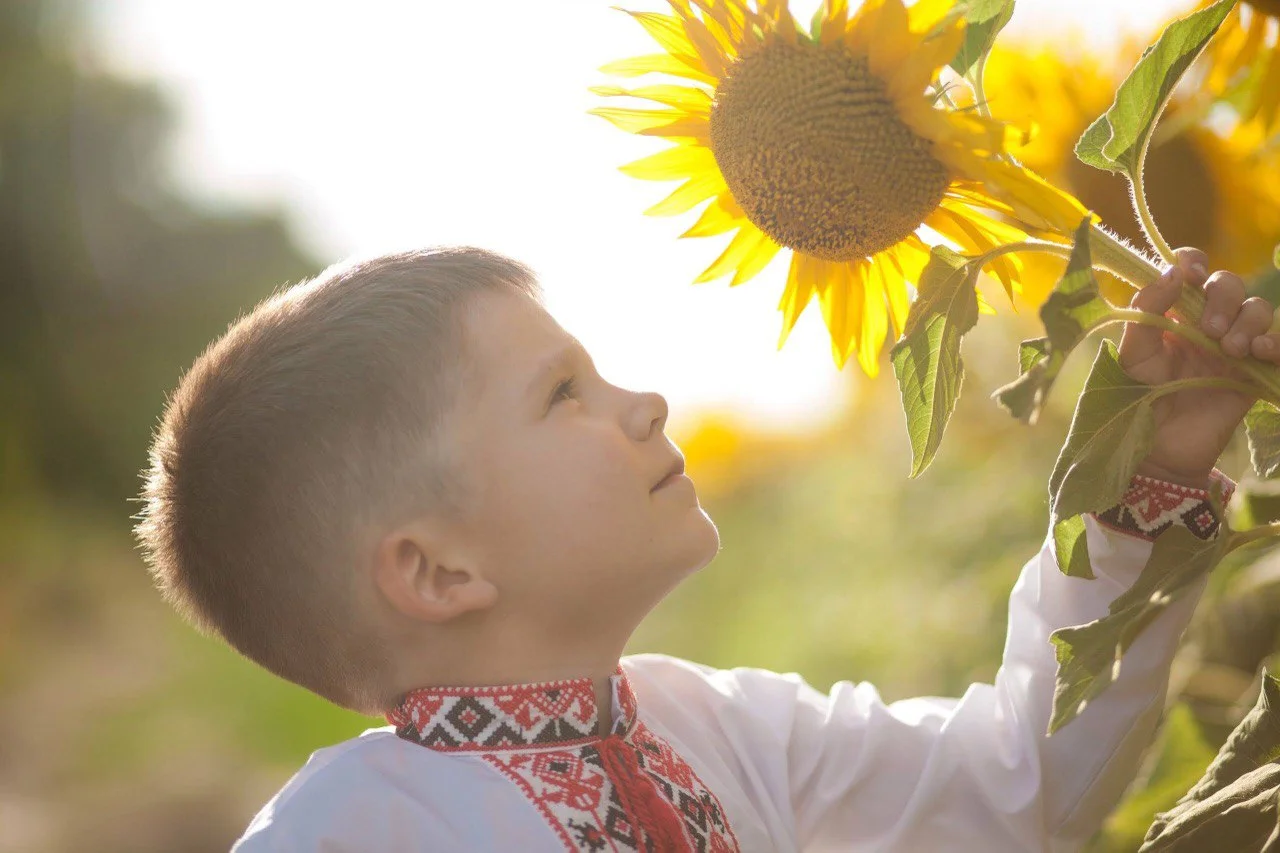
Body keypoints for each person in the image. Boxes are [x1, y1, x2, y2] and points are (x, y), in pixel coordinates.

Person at [135, 244, 1277, 852]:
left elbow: (1013, 791)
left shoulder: (721, 727)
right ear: (437, 571)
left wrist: (1134, 493)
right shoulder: (352, 836)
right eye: (561, 394)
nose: (645, 402)